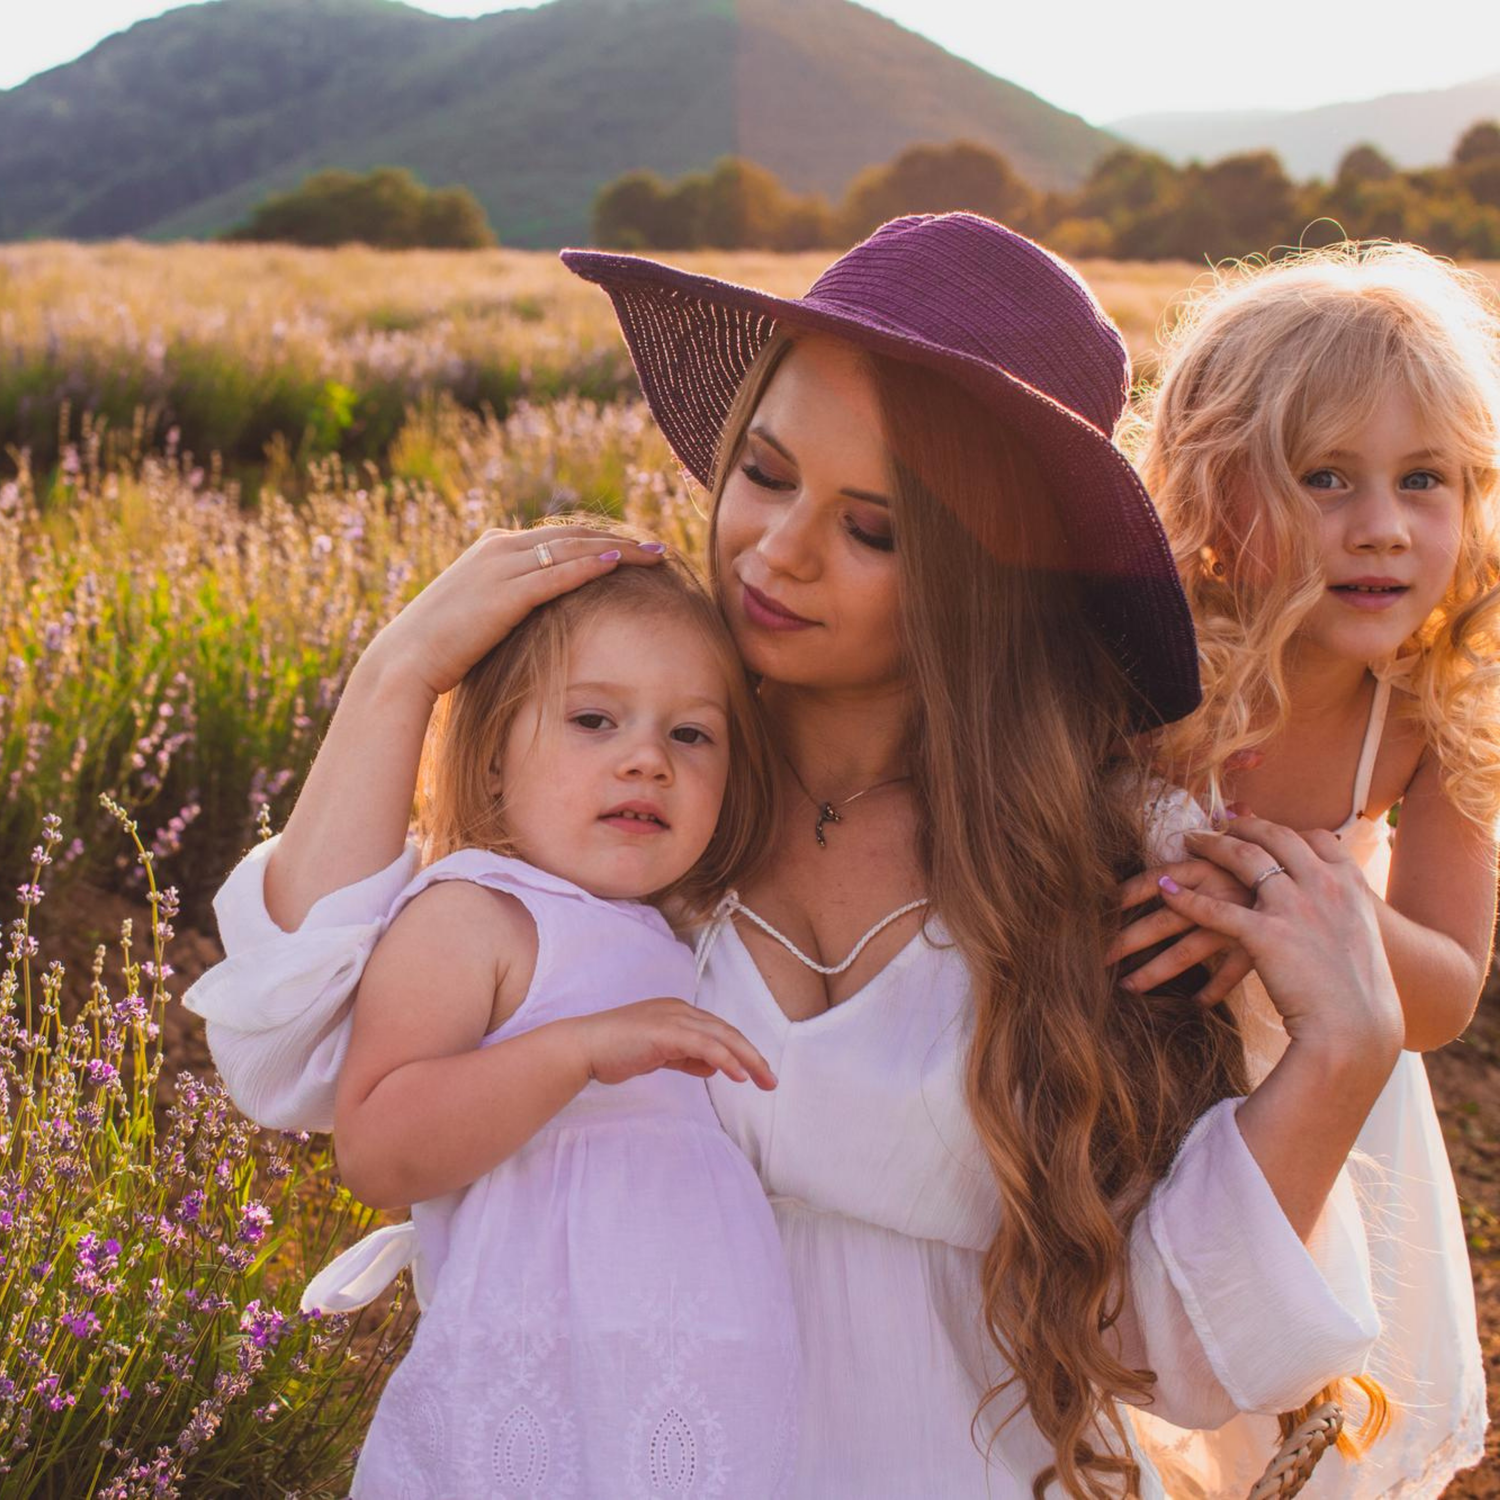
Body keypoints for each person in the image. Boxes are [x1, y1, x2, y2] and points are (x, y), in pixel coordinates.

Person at [187, 214, 1398, 1498]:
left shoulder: (1104, 860)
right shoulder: (632, 781)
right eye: (765, 474)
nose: (775, 551)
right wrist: (399, 675)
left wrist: (1343, 1052)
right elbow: (290, 1048)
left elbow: (1161, 1347)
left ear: (984, 573)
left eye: (872, 529)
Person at [224, 546, 801, 1496]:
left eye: (692, 735)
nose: (647, 757)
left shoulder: (682, 932)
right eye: (593, 719)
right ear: (492, 759)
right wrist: (577, 1051)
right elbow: (376, 1150)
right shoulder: (477, 913)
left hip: (688, 1408)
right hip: (533, 1401)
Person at [1120, 242, 1496, 1496]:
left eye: (1425, 480)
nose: (1383, 526)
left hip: (1328, 1108)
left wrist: (1298, 909)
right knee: (1116, 1405)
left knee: (1294, 1432)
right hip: (1116, 1081)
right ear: (1213, 487)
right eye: (1325, 476)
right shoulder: (1134, 671)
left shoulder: (1430, 723)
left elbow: (1442, 992)